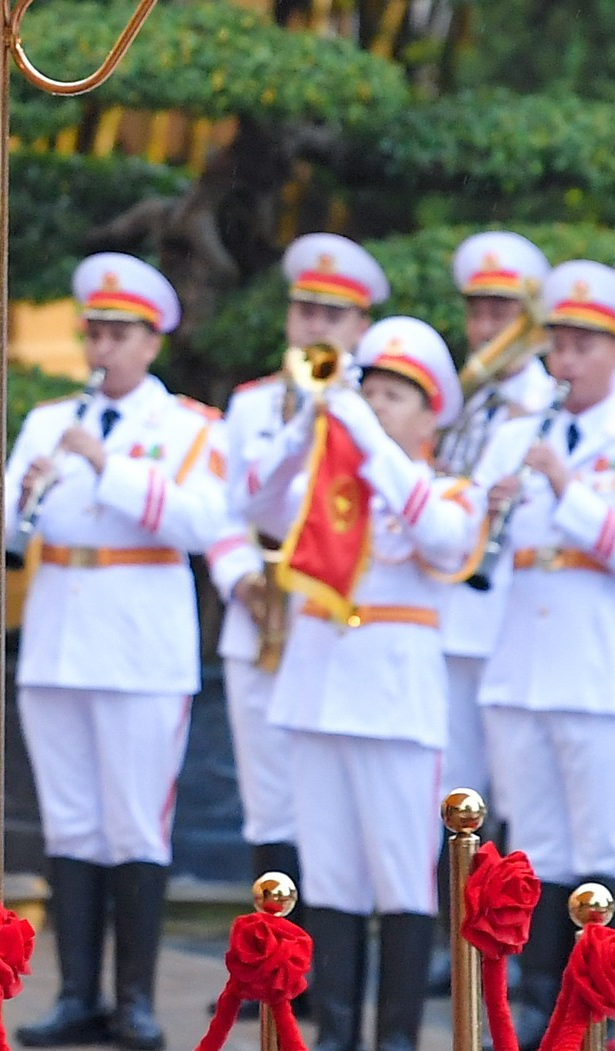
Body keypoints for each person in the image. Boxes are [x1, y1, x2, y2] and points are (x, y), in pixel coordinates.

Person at [241, 317, 480, 1051]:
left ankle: (398, 1040)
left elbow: (443, 539)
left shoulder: (443, 488)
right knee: (332, 874)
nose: (374, 407)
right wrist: (308, 424)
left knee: (400, 876)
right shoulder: (327, 484)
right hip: (316, 691)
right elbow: (258, 505)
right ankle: (337, 1038)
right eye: (368, 392)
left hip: (392, 698)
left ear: (429, 413)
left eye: (393, 397)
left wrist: (366, 442)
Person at [2, 253, 231, 1051]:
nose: (104, 347)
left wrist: (107, 466)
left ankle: (135, 997)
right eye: (94, 332)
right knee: (70, 826)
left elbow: (203, 524)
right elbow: (2, 532)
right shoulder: (46, 420)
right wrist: (23, 492)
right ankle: (74, 994)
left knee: (134, 825)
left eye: (121, 334)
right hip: (60, 637)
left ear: (152, 341)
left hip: (140, 644)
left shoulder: (192, 428)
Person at [474, 261, 615, 1051]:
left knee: (598, 846)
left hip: (599, 672)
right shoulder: (511, 432)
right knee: (533, 844)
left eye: (584, 346)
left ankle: (595, 1007)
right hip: (520, 660)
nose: (565, 361)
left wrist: (567, 489)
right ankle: (535, 1006)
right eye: (558, 343)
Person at [215, 234, 387, 903]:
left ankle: (331, 953)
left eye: (333, 314)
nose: (315, 324)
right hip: (263, 606)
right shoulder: (254, 404)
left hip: (340, 607)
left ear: (361, 328)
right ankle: (276, 965)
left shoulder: (378, 405)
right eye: (305, 309)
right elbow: (225, 504)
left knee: (332, 789)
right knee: (267, 795)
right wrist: (240, 578)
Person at [428, 231, 558, 991]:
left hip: (514, 622)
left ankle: (510, 956)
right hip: (452, 620)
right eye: (478, 311)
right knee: (457, 796)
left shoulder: (543, 404)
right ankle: (459, 945)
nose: (486, 328)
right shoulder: (460, 402)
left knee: (518, 801)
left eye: (502, 311)